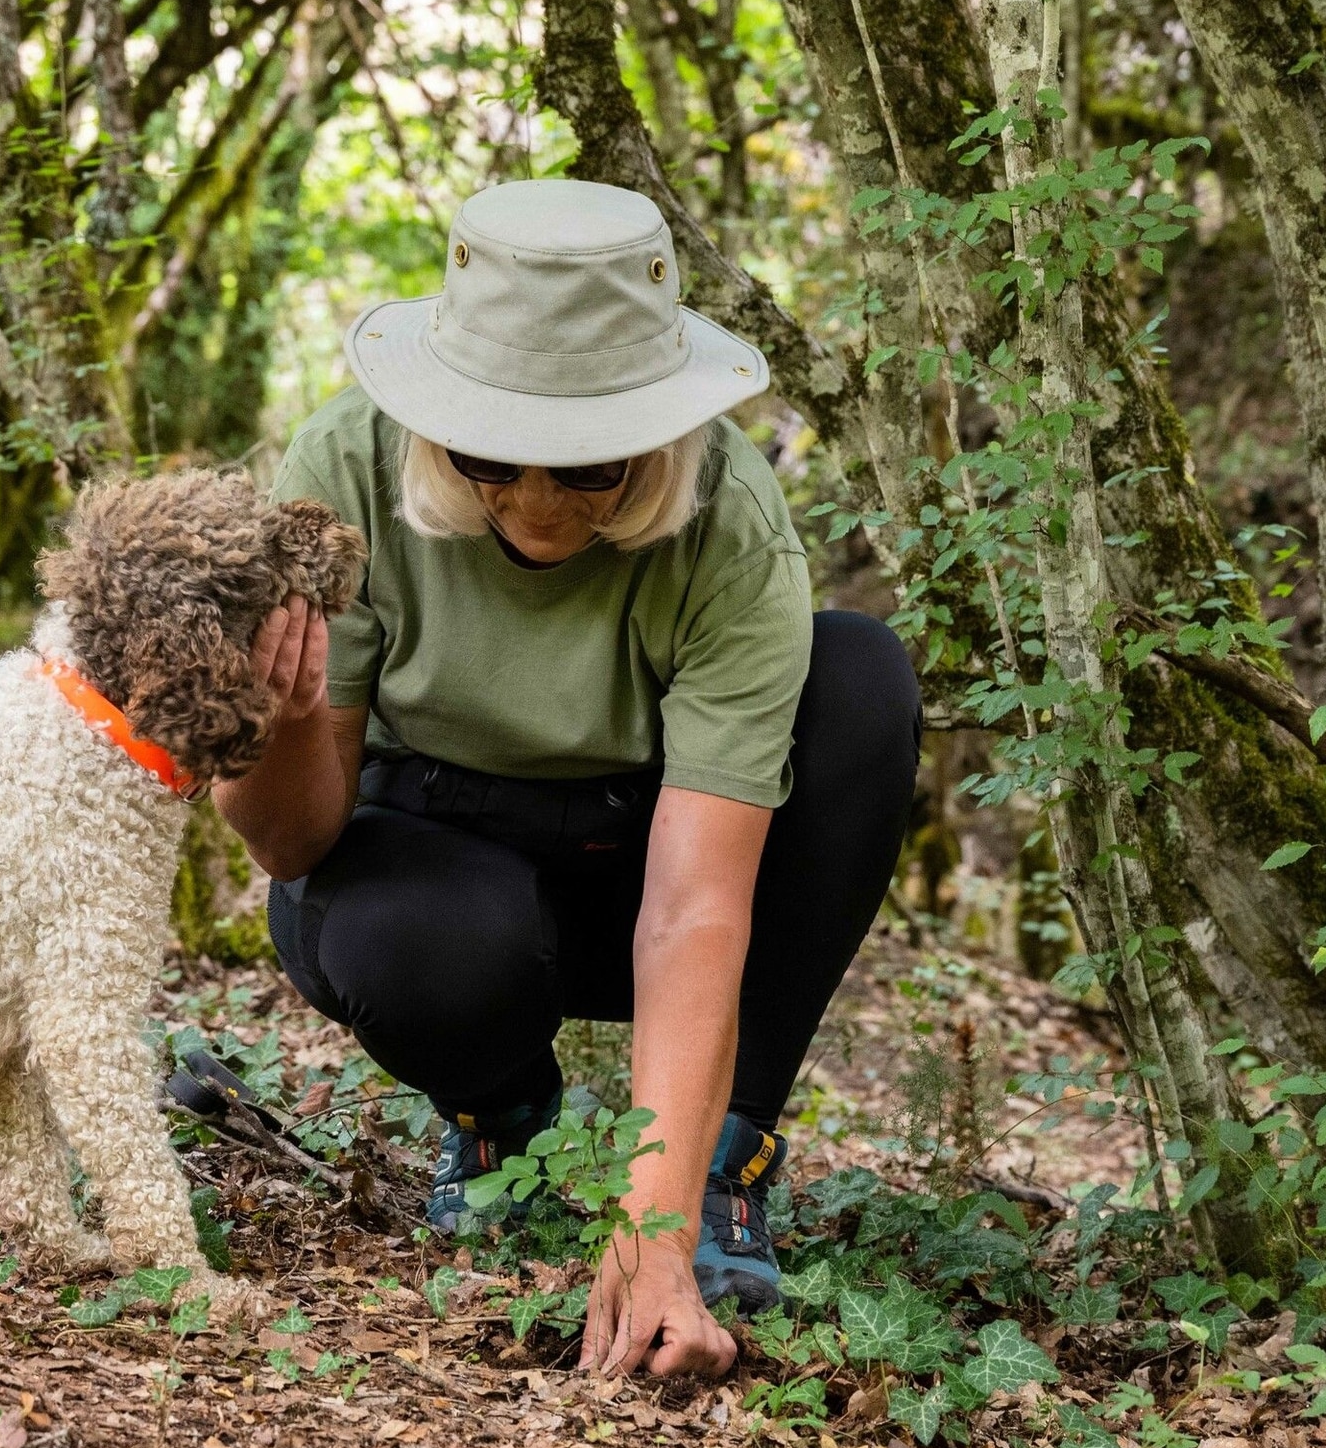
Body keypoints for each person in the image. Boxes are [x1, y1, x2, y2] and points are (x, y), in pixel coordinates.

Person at [214, 179, 918, 1380]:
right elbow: (289, 847)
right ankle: (502, 1121)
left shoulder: (730, 521)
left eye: (588, 465)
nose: (537, 502)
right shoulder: (343, 463)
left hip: (645, 855)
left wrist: (654, 1232)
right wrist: (280, 716)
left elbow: (696, 902)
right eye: (494, 454)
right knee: (418, 931)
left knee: (858, 677)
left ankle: (721, 1159)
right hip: (432, 852)